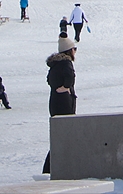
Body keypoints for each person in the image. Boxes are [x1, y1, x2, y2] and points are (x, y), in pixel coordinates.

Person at [43, 38, 78, 174]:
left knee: (58, 137)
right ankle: (51, 168)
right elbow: (70, 77)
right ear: (69, 51)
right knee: (65, 137)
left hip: (54, 103)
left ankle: (49, 168)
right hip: (65, 103)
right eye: (74, 49)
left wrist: (58, 87)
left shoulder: (55, 64)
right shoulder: (66, 63)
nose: (75, 52)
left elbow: (49, 80)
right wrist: (65, 87)